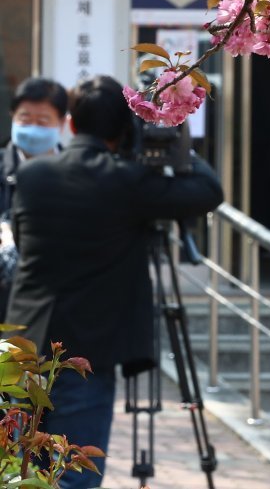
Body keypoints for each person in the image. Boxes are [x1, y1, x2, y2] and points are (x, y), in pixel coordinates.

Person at [7, 75, 223, 489]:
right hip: (84, 353)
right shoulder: (126, 181)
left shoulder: (33, 176)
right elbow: (208, 191)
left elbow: (21, 240)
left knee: (18, 469)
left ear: (71, 125)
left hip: (22, 344)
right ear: (125, 132)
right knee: (71, 474)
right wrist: (177, 142)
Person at [0, 77, 68, 319]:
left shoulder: (78, 172)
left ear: (62, 123)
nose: (33, 128)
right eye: (25, 120)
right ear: (12, 116)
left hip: (65, 307)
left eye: (43, 121)